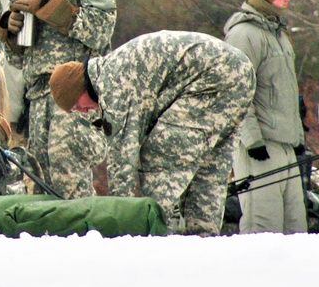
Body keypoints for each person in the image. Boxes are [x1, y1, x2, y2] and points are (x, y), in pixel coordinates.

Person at [49, 31, 255, 235]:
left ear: (82, 87)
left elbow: (122, 158)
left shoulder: (111, 83)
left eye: (77, 104)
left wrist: (123, 222)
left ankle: (156, 235)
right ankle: (203, 237)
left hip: (212, 73)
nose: (83, 111)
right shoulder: (115, 69)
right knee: (210, 166)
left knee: (161, 152)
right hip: (239, 71)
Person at [0, 0, 116, 199]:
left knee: (68, 170)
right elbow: (20, 58)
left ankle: (82, 240)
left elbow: (102, 30)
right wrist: (10, 34)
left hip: (76, 92)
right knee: (39, 176)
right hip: (38, 94)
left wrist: (57, 10)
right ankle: (48, 243)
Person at [224, 0, 307, 234]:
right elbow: (235, 93)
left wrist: (298, 139)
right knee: (263, 229)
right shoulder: (243, 35)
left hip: (286, 147)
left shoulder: (279, 35)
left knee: (296, 229)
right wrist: (252, 141)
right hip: (260, 150)